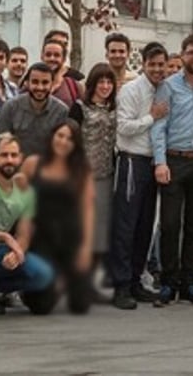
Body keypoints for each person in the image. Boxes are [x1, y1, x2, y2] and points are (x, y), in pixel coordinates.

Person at [151, 34, 193, 307]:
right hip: (174, 160)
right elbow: (158, 125)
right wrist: (160, 161)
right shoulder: (168, 86)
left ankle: (189, 283)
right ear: (183, 54)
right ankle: (167, 282)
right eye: (191, 53)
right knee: (169, 224)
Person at [0, 134, 54, 314]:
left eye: (14, 155)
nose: (9, 160)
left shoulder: (26, 192)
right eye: (4, 155)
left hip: (1, 251)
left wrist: (17, 252)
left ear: (21, 158)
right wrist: (3, 236)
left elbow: (24, 233)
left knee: (43, 274)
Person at [109, 42, 168, 309]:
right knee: (126, 226)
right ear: (143, 64)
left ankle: (135, 280)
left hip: (152, 163)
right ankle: (120, 285)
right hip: (131, 161)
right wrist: (150, 118)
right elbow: (123, 128)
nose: (157, 69)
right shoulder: (132, 90)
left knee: (145, 225)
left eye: (161, 64)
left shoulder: (164, 90)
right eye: (153, 64)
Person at [22, 121, 96, 314]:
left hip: (70, 236)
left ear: (76, 144)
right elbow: (19, 201)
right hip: (41, 237)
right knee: (40, 307)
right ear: (52, 137)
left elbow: (87, 209)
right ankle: (43, 284)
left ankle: (64, 280)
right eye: (60, 135)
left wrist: (85, 248)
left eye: (70, 138)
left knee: (80, 305)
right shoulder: (32, 164)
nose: (63, 142)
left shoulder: (81, 170)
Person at [68, 63, 117, 298]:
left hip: (107, 175)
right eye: (101, 82)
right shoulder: (79, 108)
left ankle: (92, 282)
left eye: (109, 82)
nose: (105, 86)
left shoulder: (115, 108)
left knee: (100, 232)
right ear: (92, 85)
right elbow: (68, 139)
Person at [0, 62, 69, 159]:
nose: (40, 87)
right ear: (27, 83)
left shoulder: (61, 111)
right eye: (35, 82)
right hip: (16, 167)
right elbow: (1, 144)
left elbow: (63, 148)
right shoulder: (10, 107)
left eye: (45, 82)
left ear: (52, 84)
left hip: (47, 168)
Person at [43, 39, 82, 107]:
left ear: (64, 59)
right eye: (48, 55)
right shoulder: (30, 84)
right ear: (42, 57)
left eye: (56, 55)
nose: (52, 58)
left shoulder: (75, 86)